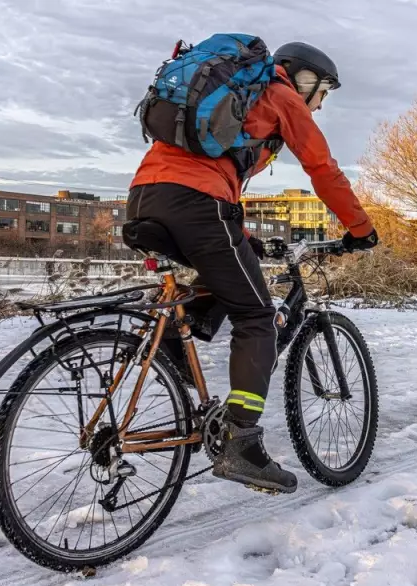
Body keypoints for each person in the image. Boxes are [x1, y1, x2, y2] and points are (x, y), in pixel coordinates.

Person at [127, 41, 378, 493]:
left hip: (146, 197)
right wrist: (360, 228)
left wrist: (243, 236)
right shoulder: (280, 94)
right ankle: (241, 443)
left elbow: (213, 171)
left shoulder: (242, 99)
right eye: (322, 92)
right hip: (198, 203)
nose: (320, 104)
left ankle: (172, 348)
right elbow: (323, 169)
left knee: (227, 278)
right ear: (304, 80)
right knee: (258, 317)